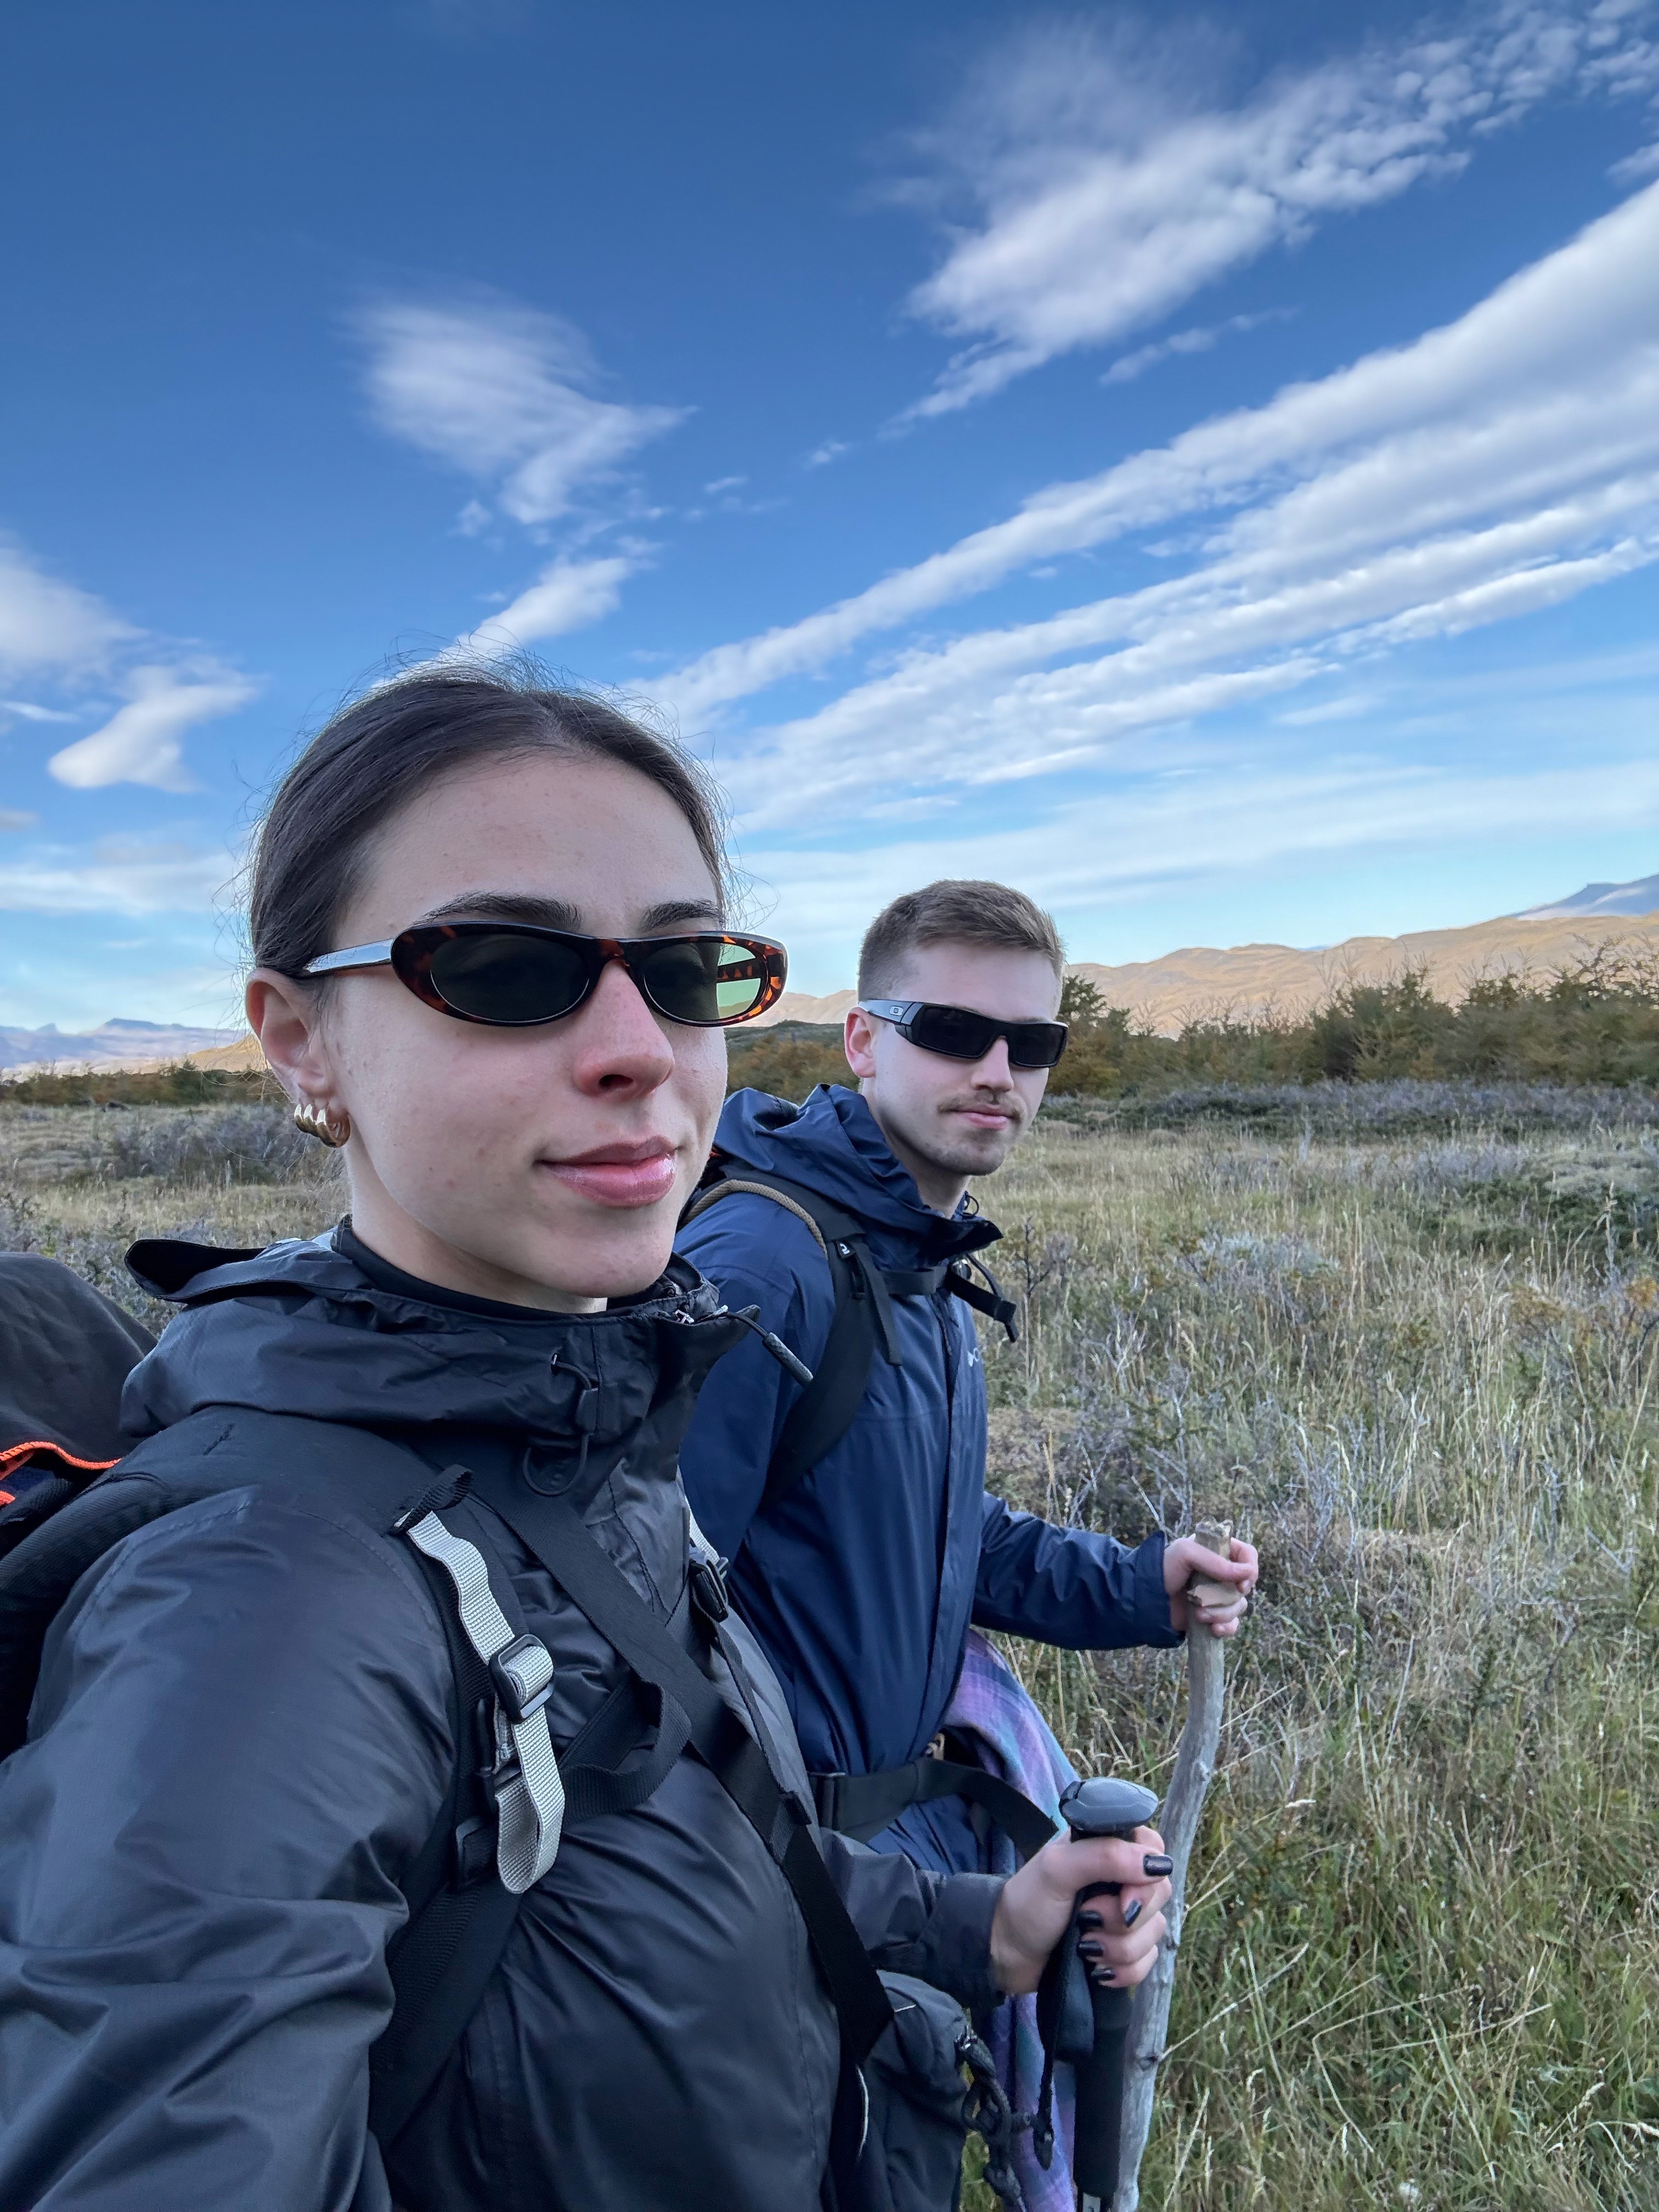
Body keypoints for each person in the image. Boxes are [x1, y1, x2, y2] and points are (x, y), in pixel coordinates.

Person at [0, 674, 1171, 2212]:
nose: (640, 1049)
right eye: (504, 968)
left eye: (685, 972)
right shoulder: (262, 1603)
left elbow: (680, 1811)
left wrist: (972, 1926)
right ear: (302, 1044)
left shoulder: (584, 1417)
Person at [675, 877, 1259, 1875]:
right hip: (783, 1865)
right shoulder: (766, 1266)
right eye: (951, 1032)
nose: (997, 1073)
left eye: (1031, 1045)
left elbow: (929, 1532)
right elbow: (644, 1624)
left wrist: (1137, 1587)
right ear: (863, 1041)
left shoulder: (918, 1263)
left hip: (891, 1844)